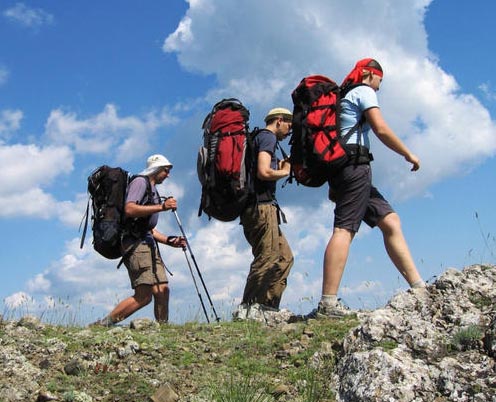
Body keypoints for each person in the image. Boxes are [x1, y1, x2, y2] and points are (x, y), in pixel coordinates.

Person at [313, 58, 425, 319]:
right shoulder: (362, 91)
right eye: (379, 81)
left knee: (391, 221)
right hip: (355, 166)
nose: (379, 87)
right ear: (368, 74)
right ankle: (328, 304)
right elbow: (381, 129)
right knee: (344, 229)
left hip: (344, 169)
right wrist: (408, 154)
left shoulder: (342, 98)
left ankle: (419, 288)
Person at [91, 154, 186, 326]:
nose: (168, 175)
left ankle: (163, 330)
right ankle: (102, 325)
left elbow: (147, 227)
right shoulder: (140, 182)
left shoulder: (152, 188)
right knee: (144, 296)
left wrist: (169, 241)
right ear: (156, 169)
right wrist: (162, 207)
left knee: (162, 289)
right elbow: (129, 209)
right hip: (136, 245)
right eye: (166, 170)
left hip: (147, 243)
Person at [233, 107, 294, 320]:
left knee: (285, 257)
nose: (290, 131)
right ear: (279, 121)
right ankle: (248, 309)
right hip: (261, 207)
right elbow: (264, 171)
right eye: (289, 125)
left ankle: (267, 307)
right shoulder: (267, 138)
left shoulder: (258, 138)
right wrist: (285, 171)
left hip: (258, 207)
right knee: (267, 256)